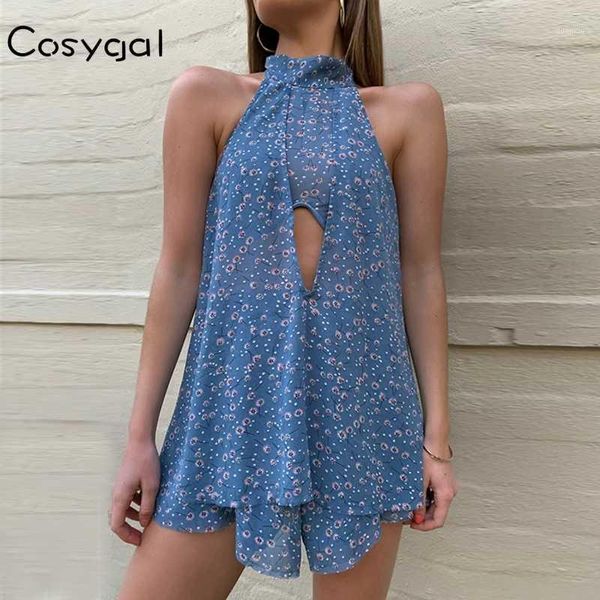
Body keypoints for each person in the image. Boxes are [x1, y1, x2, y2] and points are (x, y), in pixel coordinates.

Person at [112, 1, 458, 598]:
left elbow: (421, 272)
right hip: (227, 413)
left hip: (365, 420)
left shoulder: (411, 111)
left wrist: (437, 445)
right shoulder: (205, 98)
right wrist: (139, 438)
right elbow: (178, 270)